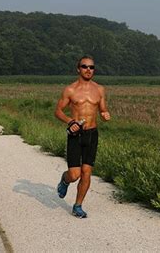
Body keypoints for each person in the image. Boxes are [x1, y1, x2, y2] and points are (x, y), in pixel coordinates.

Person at [54, 56, 111, 218]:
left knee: (86, 171)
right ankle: (65, 180)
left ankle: (78, 206)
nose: (88, 70)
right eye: (85, 66)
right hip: (76, 134)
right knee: (74, 174)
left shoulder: (99, 89)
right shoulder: (70, 90)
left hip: (92, 134)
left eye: (91, 67)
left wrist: (105, 113)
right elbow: (58, 111)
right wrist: (70, 121)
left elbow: (102, 108)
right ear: (78, 68)